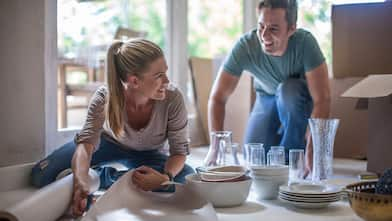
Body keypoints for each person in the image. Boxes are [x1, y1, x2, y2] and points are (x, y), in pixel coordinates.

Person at [31, 39, 194, 216]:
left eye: (166, 73)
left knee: (186, 178)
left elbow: (179, 151)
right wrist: (81, 182)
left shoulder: (173, 98)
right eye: (159, 75)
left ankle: (104, 177)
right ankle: (103, 177)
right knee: (41, 175)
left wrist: (165, 178)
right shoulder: (103, 98)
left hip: (150, 153)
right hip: (107, 144)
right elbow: (85, 145)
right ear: (134, 81)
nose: (167, 80)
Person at [208, 0, 330, 173]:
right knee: (254, 156)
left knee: (288, 90)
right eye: (261, 26)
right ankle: (281, 147)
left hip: (298, 100)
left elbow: (323, 99)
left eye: (273, 29)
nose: (264, 35)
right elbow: (217, 98)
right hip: (266, 97)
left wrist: (314, 145)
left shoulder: (306, 44)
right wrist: (215, 146)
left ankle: (292, 161)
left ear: (291, 29)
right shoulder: (246, 46)